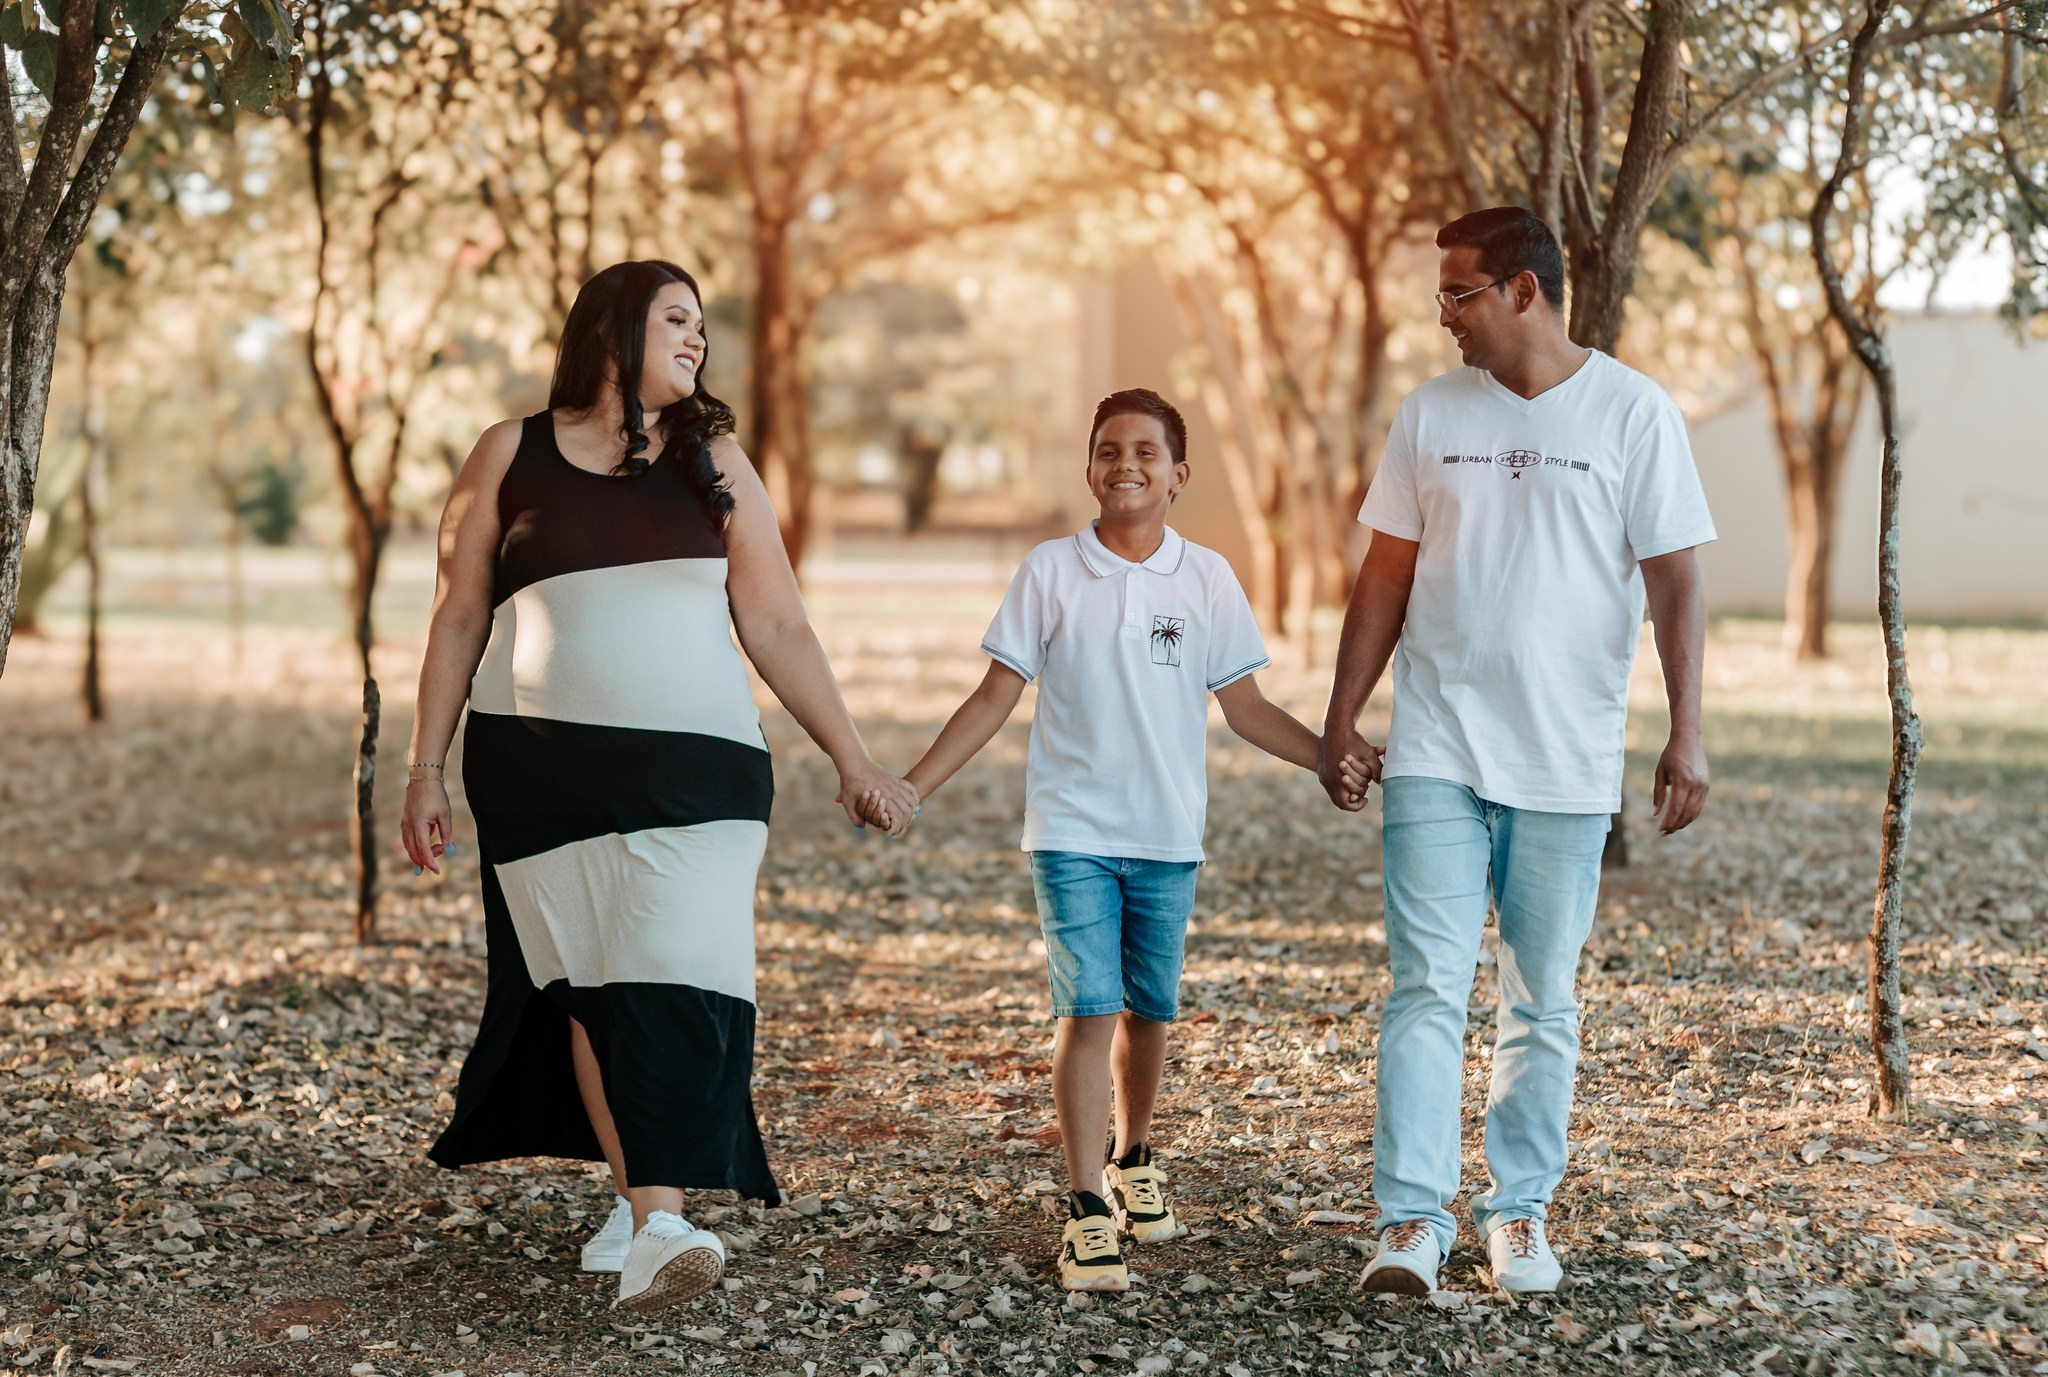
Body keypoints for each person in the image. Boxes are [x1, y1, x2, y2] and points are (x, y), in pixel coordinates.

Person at [400, 261, 917, 1314]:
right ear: (613, 325)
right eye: (675, 318)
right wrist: (425, 766)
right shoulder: (511, 450)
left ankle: (662, 1218)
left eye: (701, 325)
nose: (696, 339)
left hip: (701, 766)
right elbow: (459, 614)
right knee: (595, 989)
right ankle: (646, 1214)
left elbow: (776, 624)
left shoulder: (714, 459)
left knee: (679, 969)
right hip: (536, 770)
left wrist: (851, 756)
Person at [859, 389, 1356, 1291]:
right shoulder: (1051, 570)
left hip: (1168, 831)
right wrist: (911, 787)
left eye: (1145, 453)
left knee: (1149, 1009)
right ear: (1089, 467)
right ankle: (1087, 1206)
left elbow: (1244, 708)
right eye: (1108, 451)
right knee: (1087, 1007)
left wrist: (1330, 758)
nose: (1125, 465)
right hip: (1072, 828)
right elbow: (992, 697)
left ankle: (1134, 1157)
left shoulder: (1205, 578)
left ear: (1179, 474)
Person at [1321, 208, 1714, 1296]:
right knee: (1425, 988)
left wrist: (1685, 731)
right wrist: (1340, 717)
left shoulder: (1633, 413)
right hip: (1438, 743)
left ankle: (1518, 1216)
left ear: (1522, 293)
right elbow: (1383, 577)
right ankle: (1410, 1222)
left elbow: (1675, 579)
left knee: (1541, 996)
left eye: (1458, 294)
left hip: (1565, 760)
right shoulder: (1428, 412)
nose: (1441, 315)